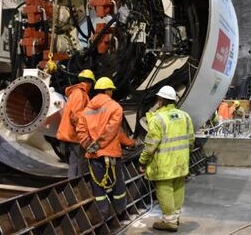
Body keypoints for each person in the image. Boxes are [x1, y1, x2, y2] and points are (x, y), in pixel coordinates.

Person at [77, 77, 135, 218]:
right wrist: (131, 143)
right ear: (108, 91)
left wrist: (89, 146)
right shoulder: (115, 107)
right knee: (117, 185)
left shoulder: (86, 111)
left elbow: (80, 131)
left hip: (93, 156)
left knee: (98, 187)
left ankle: (103, 213)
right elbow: (111, 130)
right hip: (111, 154)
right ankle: (120, 212)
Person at [139, 85, 195, 232]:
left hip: (163, 165)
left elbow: (151, 145)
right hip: (181, 163)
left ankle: (169, 222)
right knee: (178, 188)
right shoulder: (185, 116)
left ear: (161, 100)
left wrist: (143, 161)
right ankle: (175, 217)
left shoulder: (157, 119)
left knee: (164, 190)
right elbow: (191, 140)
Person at [56, 69, 96, 179]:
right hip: (74, 135)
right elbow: (76, 115)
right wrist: (83, 133)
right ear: (89, 82)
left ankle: (74, 185)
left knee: (74, 162)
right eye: (92, 83)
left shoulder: (76, 93)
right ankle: (75, 187)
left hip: (70, 134)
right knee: (77, 162)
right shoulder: (80, 94)